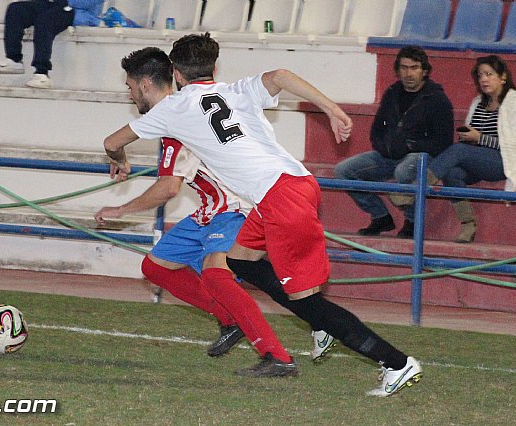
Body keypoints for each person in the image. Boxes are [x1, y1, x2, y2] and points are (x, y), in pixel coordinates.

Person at [103, 33, 422, 396]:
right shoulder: (236, 91)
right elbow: (282, 74)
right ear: (213, 66)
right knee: (241, 260)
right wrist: (332, 109)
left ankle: (396, 362)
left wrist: (121, 161)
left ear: (175, 72)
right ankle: (315, 320)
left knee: (310, 305)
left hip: (280, 197)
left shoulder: (172, 109)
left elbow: (112, 143)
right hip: (296, 184)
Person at [95, 47, 336, 376]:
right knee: (156, 267)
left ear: (145, 84)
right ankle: (235, 320)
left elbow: (168, 188)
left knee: (217, 276)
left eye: (130, 87)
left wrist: (121, 209)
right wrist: (121, 159)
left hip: (237, 206)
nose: (129, 94)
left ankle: (278, 354)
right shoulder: (177, 113)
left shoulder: (175, 117)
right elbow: (114, 144)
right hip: (213, 210)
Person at [334, 45, 454, 238]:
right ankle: (381, 216)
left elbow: (443, 142)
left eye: (414, 67)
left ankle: (412, 222)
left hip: (421, 157)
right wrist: (385, 147)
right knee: (343, 171)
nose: (408, 73)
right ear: (398, 70)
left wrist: (411, 146)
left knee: (404, 170)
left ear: (424, 71)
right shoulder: (391, 93)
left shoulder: (437, 100)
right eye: (404, 68)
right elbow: (376, 130)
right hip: (388, 156)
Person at [424, 55, 516, 243]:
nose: (483, 79)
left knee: (459, 151)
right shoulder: (478, 103)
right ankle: (468, 223)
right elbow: (472, 141)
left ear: (503, 77)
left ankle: (414, 187)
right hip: (479, 159)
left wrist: (480, 138)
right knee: (451, 173)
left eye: (489, 74)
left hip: (505, 161)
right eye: (480, 75)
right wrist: (470, 138)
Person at [0, 0, 103, 89]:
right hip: (52, 5)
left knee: (45, 20)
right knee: (15, 9)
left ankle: (42, 73)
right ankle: (14, 59)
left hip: (76, 10)